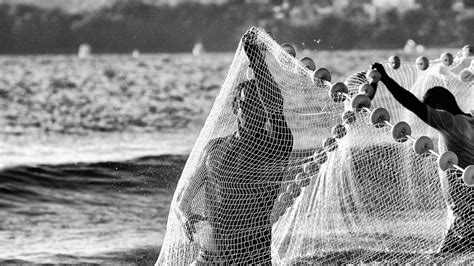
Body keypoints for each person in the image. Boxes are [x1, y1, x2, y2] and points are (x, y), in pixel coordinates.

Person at [176, 28, 294, 264]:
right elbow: (183, 200)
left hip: (252, 257)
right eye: (246, 105)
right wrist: (185, 218)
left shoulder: (276, 145)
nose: (253, 111)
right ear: (235, 108)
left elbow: (274, 104)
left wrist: (256, 58)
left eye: (258, 105)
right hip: (209, 256)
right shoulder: (214, 149)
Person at [370, 63, 474, 254]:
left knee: (450, 254)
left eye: (432, 110)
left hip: (466, 202)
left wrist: (385, 78)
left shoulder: (449, 122)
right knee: (448, 253)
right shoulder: (470, 119)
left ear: (440, 108)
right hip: (464, 202)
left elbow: (411, 103)